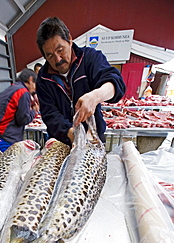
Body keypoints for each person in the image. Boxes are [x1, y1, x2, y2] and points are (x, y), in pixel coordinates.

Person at [36, 17, 126, 146]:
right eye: (50, 55)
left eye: (60, 50)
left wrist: (95, 96)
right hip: (62, 143)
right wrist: (73, 134)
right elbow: (50, 115)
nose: (58, 59)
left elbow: (115, 82)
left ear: (70, 39)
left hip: (94, 139)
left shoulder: (89, 58)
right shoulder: (43, 78)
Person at [0, 68, 39, 152]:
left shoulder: (13, 88)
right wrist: (34, 111)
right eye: (35, 84)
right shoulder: (23, 92)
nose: (35, 89)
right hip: (4, 138)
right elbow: (23, 119)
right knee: (8, 164)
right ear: (30, 80)